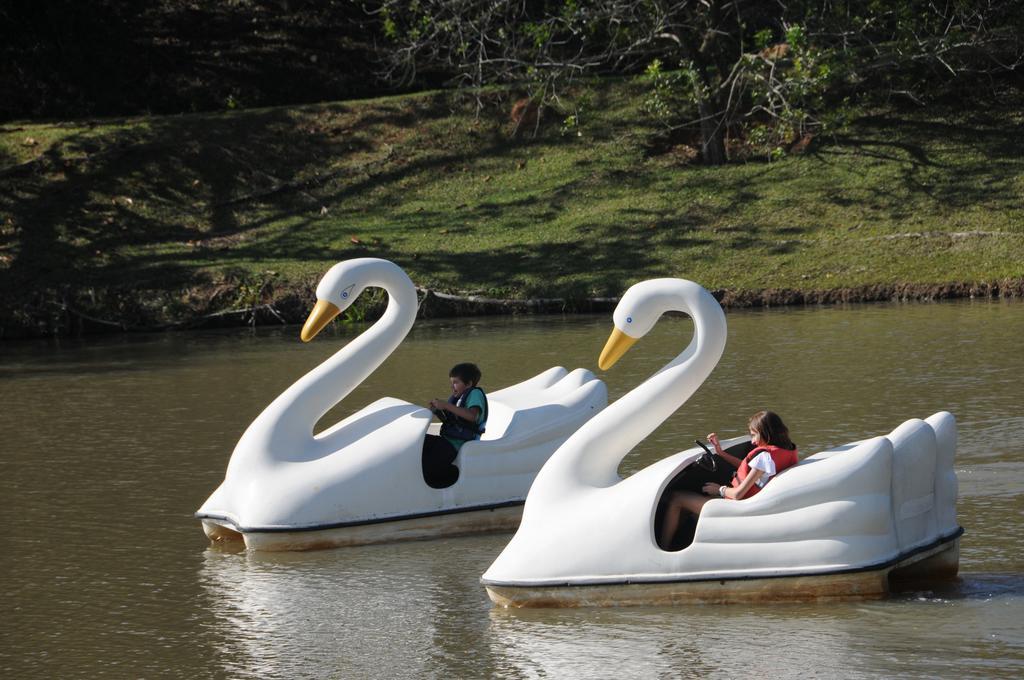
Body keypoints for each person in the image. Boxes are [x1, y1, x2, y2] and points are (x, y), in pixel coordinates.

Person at [659, 410, 799, 550]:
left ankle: (663, 549)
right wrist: (721, 453)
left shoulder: (764, 457)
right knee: (693, 503)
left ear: (766, 433)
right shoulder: (784, 451)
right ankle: (684, 543)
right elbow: (750, 470)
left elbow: (738, 494)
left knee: (676, 498)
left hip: (738, 509)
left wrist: (719, 489)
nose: (752, 441)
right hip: (749, 503)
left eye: (754, 434)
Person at [421, 362, 488, 488]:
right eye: (451, 383)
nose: (452, 386)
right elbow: (452, 421)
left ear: (468, 383)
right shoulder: (458, 397)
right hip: (446, 440)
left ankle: (452, 475)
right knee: (418, 443)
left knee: (427, 469)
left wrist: (446, 405)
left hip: (455, 445)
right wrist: (437, 410)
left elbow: (472, 416)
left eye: (456, 382)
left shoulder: (474, 394)